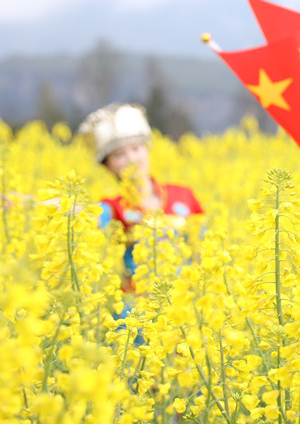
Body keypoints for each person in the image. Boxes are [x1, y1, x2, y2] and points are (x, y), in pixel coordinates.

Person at [78, 103, 205, 298]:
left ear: (147, 149)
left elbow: (205, 250)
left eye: (136, 148)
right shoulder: (114, 208)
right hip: (138, 310)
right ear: (108, 166)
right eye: (119, 154)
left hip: (185, 306)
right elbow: (82, 213)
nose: (131, 159)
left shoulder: (183, 195)